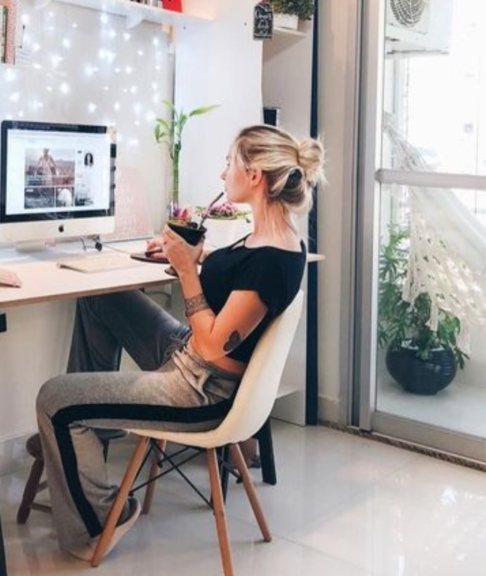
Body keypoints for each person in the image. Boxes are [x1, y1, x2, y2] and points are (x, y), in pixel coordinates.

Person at [35, 124, 326, 560]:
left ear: (254, 176)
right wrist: (193, 256)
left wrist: (188, 271)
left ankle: (98, 521)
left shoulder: (272, 260)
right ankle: (87, 435)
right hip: (188, 354)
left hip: (200, 389)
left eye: (229, 163)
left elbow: (211, 346)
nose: (222, 173)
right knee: (100, 299)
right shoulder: (274, 238)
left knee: (54, 399)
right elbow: (237, 281)